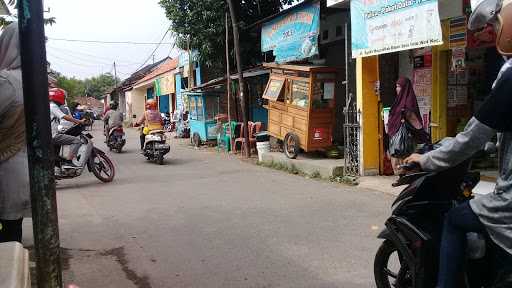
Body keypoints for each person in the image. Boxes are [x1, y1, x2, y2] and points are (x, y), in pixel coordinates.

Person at [405, 1, 512, 287]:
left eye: (491, 29)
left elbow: (472, 137)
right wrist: (494, 147)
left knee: (454, 219)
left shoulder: (510, 77)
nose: (485, 37)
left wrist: (427, 160)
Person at [0, 22, 30, 243]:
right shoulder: (32, 80)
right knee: (13, 233)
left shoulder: (6, 81)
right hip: (22, 168)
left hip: (5, 169)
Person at [387, 77, 425, 174]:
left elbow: (413, 118)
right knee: (398, 158)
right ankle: (401, 174)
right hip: (395, 136)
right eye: (396, 86)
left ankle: (405, 174)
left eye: (399, 87)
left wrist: (422, 132)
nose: (397, 89)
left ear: (405, 88)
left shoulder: (408, 102)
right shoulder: (398, 101)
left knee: (406, 160)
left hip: (406, 137)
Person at [49, 88, 85, 168]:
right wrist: (79, 121)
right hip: (53, 135)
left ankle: (58, 163)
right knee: (77, 141)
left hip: (53, 133)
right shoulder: (53, 106)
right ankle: (69, 162)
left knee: (57, 151)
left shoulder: (49, 106)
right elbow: (65, 117)